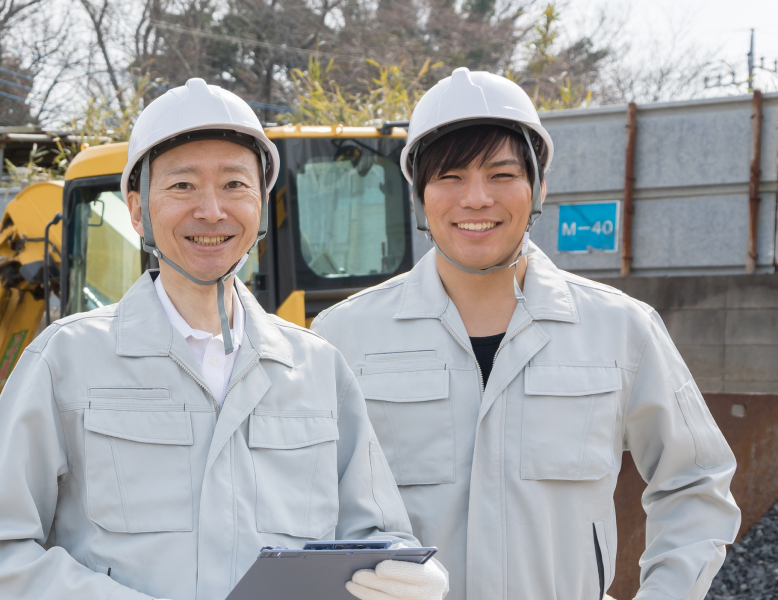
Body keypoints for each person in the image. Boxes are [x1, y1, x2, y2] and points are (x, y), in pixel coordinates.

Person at [0, 78, 447, 600]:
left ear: (260, 205)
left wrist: (402, 571)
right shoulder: (66, 361)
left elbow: (373, 534)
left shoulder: (317, 369)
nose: (211, 210)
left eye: (234, 184)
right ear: (138, 210)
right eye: (183, 186)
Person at [312, 68, 741, 600]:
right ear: (420, 194)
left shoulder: (620, 329)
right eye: (449, 177)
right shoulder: (343, 337)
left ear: (539, 186)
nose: (475, 198)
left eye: (501, 174)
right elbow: (306, 501)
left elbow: (695, 480)